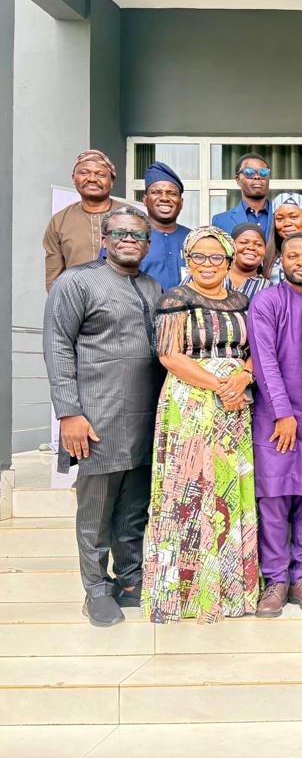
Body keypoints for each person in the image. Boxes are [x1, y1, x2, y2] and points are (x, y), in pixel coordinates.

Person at [43, 207, 164, 626]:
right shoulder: (77, 282)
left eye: (138, 235)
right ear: (105, 239)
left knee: (134, 507)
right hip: (96, 417)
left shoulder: (152, 286)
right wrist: (69, 413)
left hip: (145, 417)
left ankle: (130, 579)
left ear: (147, 245)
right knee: (95, 510)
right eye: (121, 233)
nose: (130, 240)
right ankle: (96, 588)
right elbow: (57, 346)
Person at [142, 227, 259, 623]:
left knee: (227, 491)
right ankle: (189, 594)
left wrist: (243, 377)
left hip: (234, 406)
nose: (208, 264)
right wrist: (219, 385)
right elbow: (169, 355)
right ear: (187, 260)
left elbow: (256, 349)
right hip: (190, 402)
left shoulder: (242, 302)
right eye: (199, 257)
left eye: (216, 257)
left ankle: (231, 591)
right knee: (191, 491)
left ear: (228, 262)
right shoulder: (175, 299)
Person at [247, 233, 302, 618]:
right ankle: (276, 580)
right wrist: (283, 413)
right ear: (280, 260)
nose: (301, 261)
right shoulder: (267, 302)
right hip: (275, 417)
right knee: (274, 498)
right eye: (293, 255)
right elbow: (264, 360)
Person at [44, 150, 120, 291]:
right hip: (76, 301)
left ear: (112, 181)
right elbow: (54, 275)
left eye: (100, 174)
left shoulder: (132, 217)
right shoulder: (59, 221)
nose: (92, 178)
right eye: (84, 173)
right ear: (73, 178)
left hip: (125, 301)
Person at [138, 161, 191, 291]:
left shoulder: (193, 239)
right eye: (156, 192)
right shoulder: (128, 237)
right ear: (145, 200)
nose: (164, 198)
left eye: (171, 193)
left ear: (181, 202)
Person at [212, 152, 273, 238]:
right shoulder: (221, 221)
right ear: (238, 180)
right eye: (249, 172)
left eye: (263, 172)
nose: (257, 177)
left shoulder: (283, 216)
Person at [225, 223, 271, 298]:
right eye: (243, 242)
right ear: (231, 247)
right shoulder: (216, 278)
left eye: (258, 244)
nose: (251, 247)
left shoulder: (269, 288)